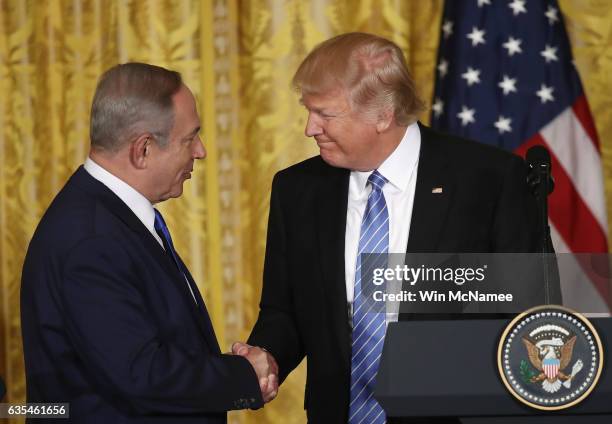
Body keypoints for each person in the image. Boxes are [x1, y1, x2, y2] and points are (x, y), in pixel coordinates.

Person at [232, 32, 560, 423]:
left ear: (383, 115)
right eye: (308, 110)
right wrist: (265, 355)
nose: (309, 128)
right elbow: (284, 311)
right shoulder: (297, 190)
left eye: (325, 114)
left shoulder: (489, 180)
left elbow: (525, 316)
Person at [21, 63, 277, 423]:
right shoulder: (91, 240)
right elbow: (142, 374)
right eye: (190, 138)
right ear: (142, 150)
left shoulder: (106, 217)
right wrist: (244, 375)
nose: (201, 151)